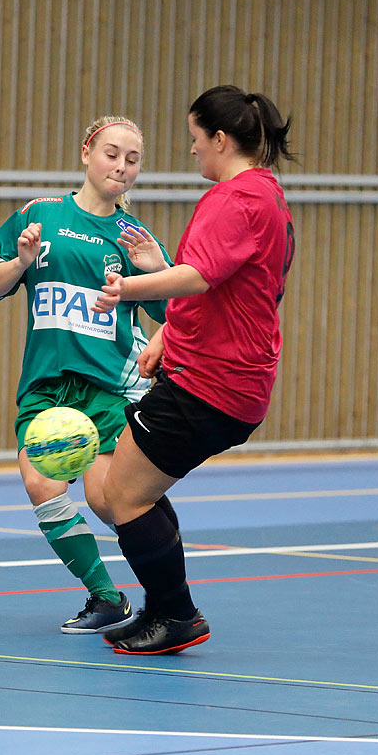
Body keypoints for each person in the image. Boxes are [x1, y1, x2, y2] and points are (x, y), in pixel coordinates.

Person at [91, 85, 296, 655]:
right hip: (221, 379)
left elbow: (198, 277)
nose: (192, 151)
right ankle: (167, 606)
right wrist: (167, 333)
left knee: (120, 495)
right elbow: (227, 291)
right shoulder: (267, 196)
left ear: (222, 140)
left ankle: (176, 614)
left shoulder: (236, 200)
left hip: (212, 386)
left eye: (196, 139)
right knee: (125, 491)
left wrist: (130, 287)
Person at [0, 115, 173, 634]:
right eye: (112, 154)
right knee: (40, 483)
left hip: (112, 387)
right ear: (87, 152)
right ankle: (106, 599)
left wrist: (152, 269)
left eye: (133, 160)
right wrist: (19, 262)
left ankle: (167, 600)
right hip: (47, 385)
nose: (122, 167)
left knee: (109, 502)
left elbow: (176, 316)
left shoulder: (134, 237)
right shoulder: (39, 216)